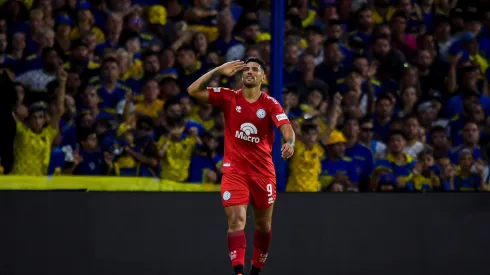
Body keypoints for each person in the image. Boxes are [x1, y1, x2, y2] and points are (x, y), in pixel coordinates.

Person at [187, 57, 295, 275]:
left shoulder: (270, 103)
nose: (250, 72)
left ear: (263, 77)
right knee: (237, 220)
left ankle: (256, 270)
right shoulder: (229, 97)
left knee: (263, 225)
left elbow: (287, 128)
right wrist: (218, 70)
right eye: (246, 69)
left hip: (263, 174)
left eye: (256, 69)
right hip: (234, 173)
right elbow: (192, 90)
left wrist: (290, 143)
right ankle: (238, 272)